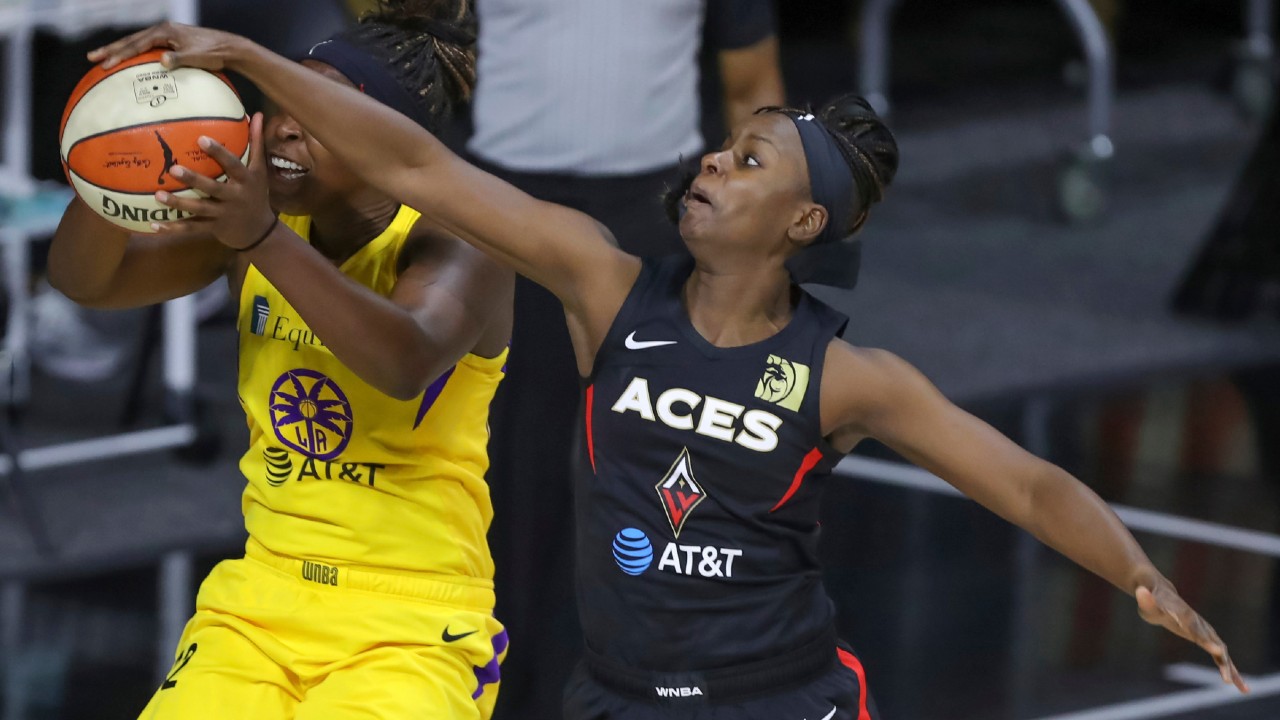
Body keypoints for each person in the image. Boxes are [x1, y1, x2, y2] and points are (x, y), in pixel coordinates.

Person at [90, 22, 1250, 718]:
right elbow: (428, 170)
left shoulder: (847, 376)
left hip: (781, 699)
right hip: (624, 700)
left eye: (747, 161)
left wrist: (1134, 569)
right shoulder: (602, 286)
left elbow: (1029, 485)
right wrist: (242, 58)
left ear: (799, 223)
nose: (713, 156)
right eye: (722, 141)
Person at [53, 3, 514, 718]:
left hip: (410, 618)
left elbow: (404, 358)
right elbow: (90, 281)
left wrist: (262, 237)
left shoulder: (464, 244)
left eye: (320, 113)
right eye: (284, 100)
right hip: (261, 599)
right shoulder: (253, 222)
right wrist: (116, 160)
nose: (288, 126)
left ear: (387, 142)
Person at [468, 3, 785, 711]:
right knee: (502, 473)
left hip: (655, 215)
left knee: (655, 478)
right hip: (504, 207)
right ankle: (499, 692)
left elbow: (754, 87)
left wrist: (761, 250)